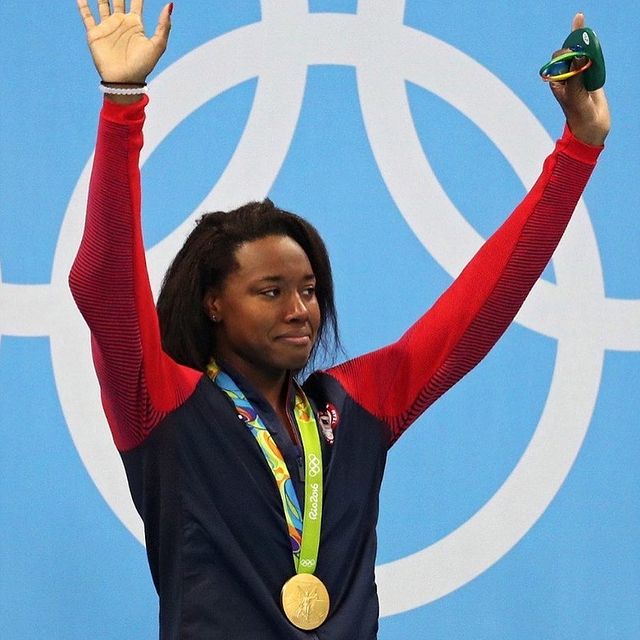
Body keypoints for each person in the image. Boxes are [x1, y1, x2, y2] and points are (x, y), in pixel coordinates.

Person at [70, 1, 610, 638]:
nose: (300, 309)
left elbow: (484, 302)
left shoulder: (356, 406)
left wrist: (579, 148)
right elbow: (103, 283)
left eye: (308, 289)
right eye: (270, 291)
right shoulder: (162, 405)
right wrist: (122, 102)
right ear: (214, 303)